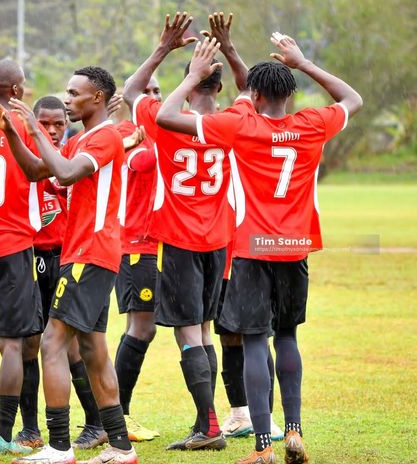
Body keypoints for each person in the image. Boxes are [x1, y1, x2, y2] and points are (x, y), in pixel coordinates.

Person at [156, 32, 362, 464]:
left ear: (254, 94)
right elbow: (352, 99)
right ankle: (294, 431)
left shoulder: (239, 125)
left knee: (254, 343)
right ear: (290, 94)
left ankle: (263, 446)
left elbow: (166, 116)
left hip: (252, 250)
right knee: (287, 337)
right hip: (295, 249)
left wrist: (194, 74)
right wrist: (303, 63)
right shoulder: (312, 124)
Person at [0, 66, 137, 464]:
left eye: (73, 93)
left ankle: (58, 446)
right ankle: (121, 447)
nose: (67, 99)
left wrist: (34, 130)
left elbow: (66, 174)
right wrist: (11, 131)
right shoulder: (80, 140)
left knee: (52, 344)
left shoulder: (104, 136)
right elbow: (37, 171)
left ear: (98, 98)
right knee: (93, 350)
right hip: (87, 254)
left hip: (90, 253)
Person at [123, 11, 249, 452]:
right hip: (219, 241)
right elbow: (249, 88)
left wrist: (164, 49)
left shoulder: (165, 122)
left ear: (191, 85)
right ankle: (206, 422)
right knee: (206, 330)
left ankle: (208, 426)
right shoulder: (234, 122)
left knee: (188, 332)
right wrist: (228, 49)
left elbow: (131, 91)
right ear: (219, 89)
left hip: (177, 240)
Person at [15, 95, 109, 451]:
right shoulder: (28, 155)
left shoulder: (72, 154)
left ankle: (94, 422)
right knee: (29, 341)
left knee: (70, 346)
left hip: (67, 259)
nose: (52, 130)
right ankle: (30, 429)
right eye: (45, 124)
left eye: (58, 124)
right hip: (30, 257)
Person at [0, 58, 45, 456]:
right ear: (15, 90)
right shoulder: (25, 126)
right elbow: (46, 170)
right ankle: (3, 435)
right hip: (15, 248)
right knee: (13, 346)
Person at [111, 75, 163, 443]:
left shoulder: (158, 131)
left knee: (143, 326)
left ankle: (116, 414)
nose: (154, 97)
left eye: (158, 92)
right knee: (142, 327)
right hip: (133, 244)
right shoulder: (126, 134)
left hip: (155, 243)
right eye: (147, 92)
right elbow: (142, 162)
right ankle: (117, 416)